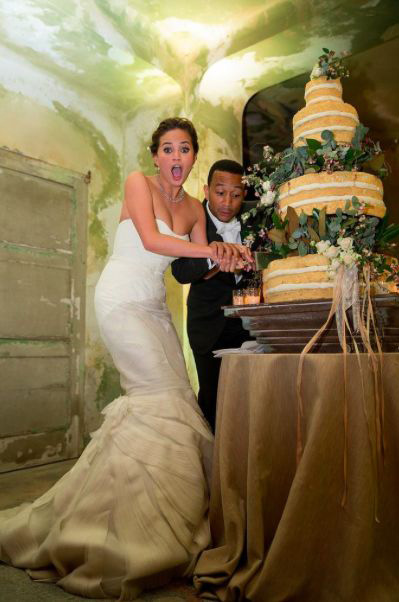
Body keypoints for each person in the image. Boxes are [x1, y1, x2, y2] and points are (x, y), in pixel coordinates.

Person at [0, 118, 252, 600]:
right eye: (167, 149)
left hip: (156, 308)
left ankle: (157, 518)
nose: (176, 157)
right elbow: (155, 242)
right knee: (154, 400)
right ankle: (122, 533)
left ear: (193, 156)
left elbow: (186, 270)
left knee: (178, 401)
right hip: (120, 301)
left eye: (185, 149)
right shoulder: (139, 183)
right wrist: (213, 249)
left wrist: (226, 257)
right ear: (156, 156)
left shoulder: (197, 209)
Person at [172, 160, 253, 432]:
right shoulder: (194, 219)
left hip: (250, 325)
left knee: (249, 399)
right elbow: (181, 271)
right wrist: (213, 257)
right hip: (209, 325)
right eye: (220, 192)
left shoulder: (256, 221)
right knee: (213, 399)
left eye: (236, 194)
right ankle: (215, 464)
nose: (227, 202)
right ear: (206, 191)